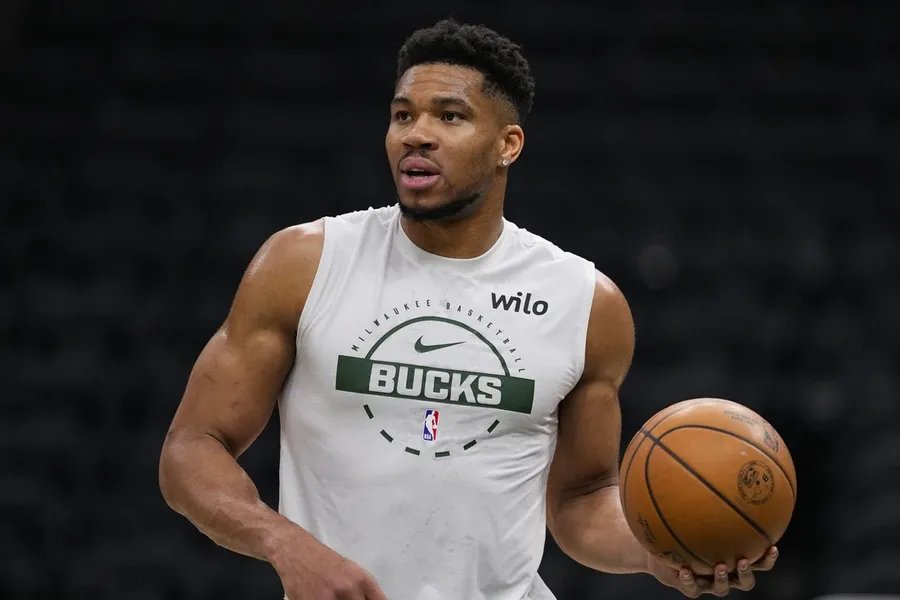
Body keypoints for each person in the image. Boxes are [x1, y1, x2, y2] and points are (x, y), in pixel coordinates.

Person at [158, 19, 778, 600]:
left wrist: (656, 551)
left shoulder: (586, 302)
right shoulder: (303, 263)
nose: (416, 134)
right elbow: (191, 448)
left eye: (450, 116)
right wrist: (284, 544)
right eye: (403, 115)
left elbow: (582, 497)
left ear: (508, 144)